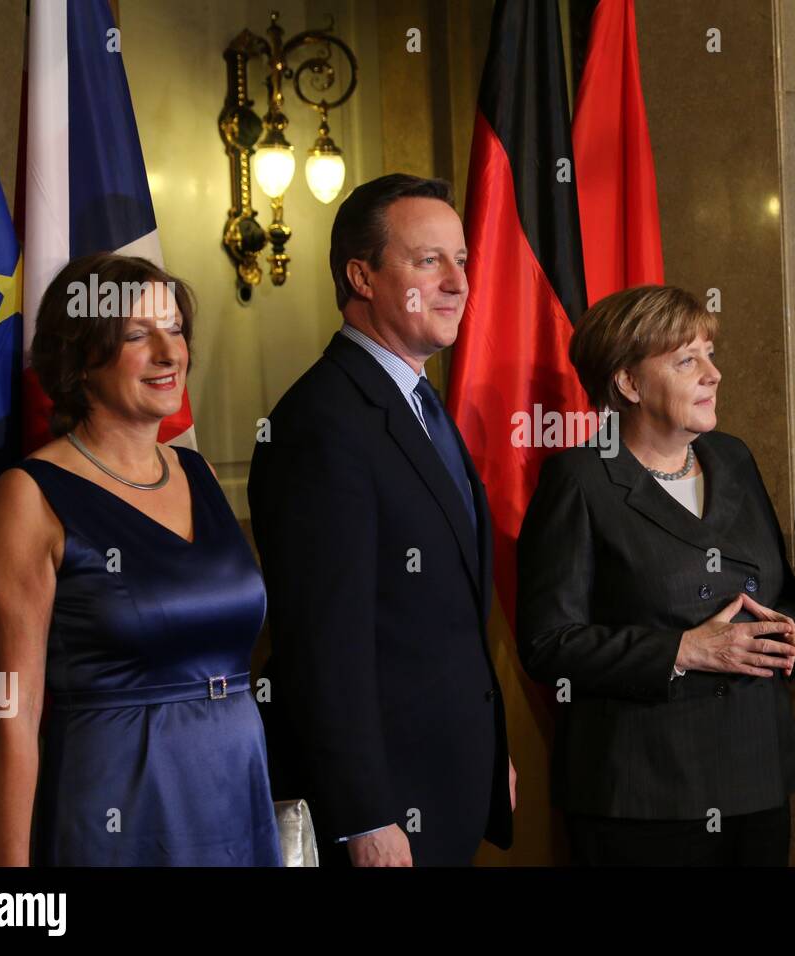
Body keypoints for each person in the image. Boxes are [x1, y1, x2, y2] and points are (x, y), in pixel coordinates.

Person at [0, 253, 281, 866]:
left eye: (175, 330)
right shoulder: (30, 495)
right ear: (80, 359)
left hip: (236, 796)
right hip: (118, 814)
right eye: (138, 336)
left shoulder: (196, 471)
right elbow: (16, 716)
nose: (170, 354)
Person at [248, 173, 513, 867]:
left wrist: (490, 756)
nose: (458, 281)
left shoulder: (421, 403)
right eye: (430, 261)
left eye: (462, 260)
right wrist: (362, 812)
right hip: (383, 810)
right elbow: (321, 644)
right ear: (360, 276)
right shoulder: (321, 423)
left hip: (447, 783)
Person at [517, 285, 795, 866]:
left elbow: (783, 595)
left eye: (709, 353)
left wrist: (789, 632)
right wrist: (683, 650)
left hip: (755, 779)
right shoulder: (579, 480)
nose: (713, 374)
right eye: (686, 360)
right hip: (640, 796)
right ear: (627, 383)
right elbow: (548, 644)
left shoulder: (735, 458)